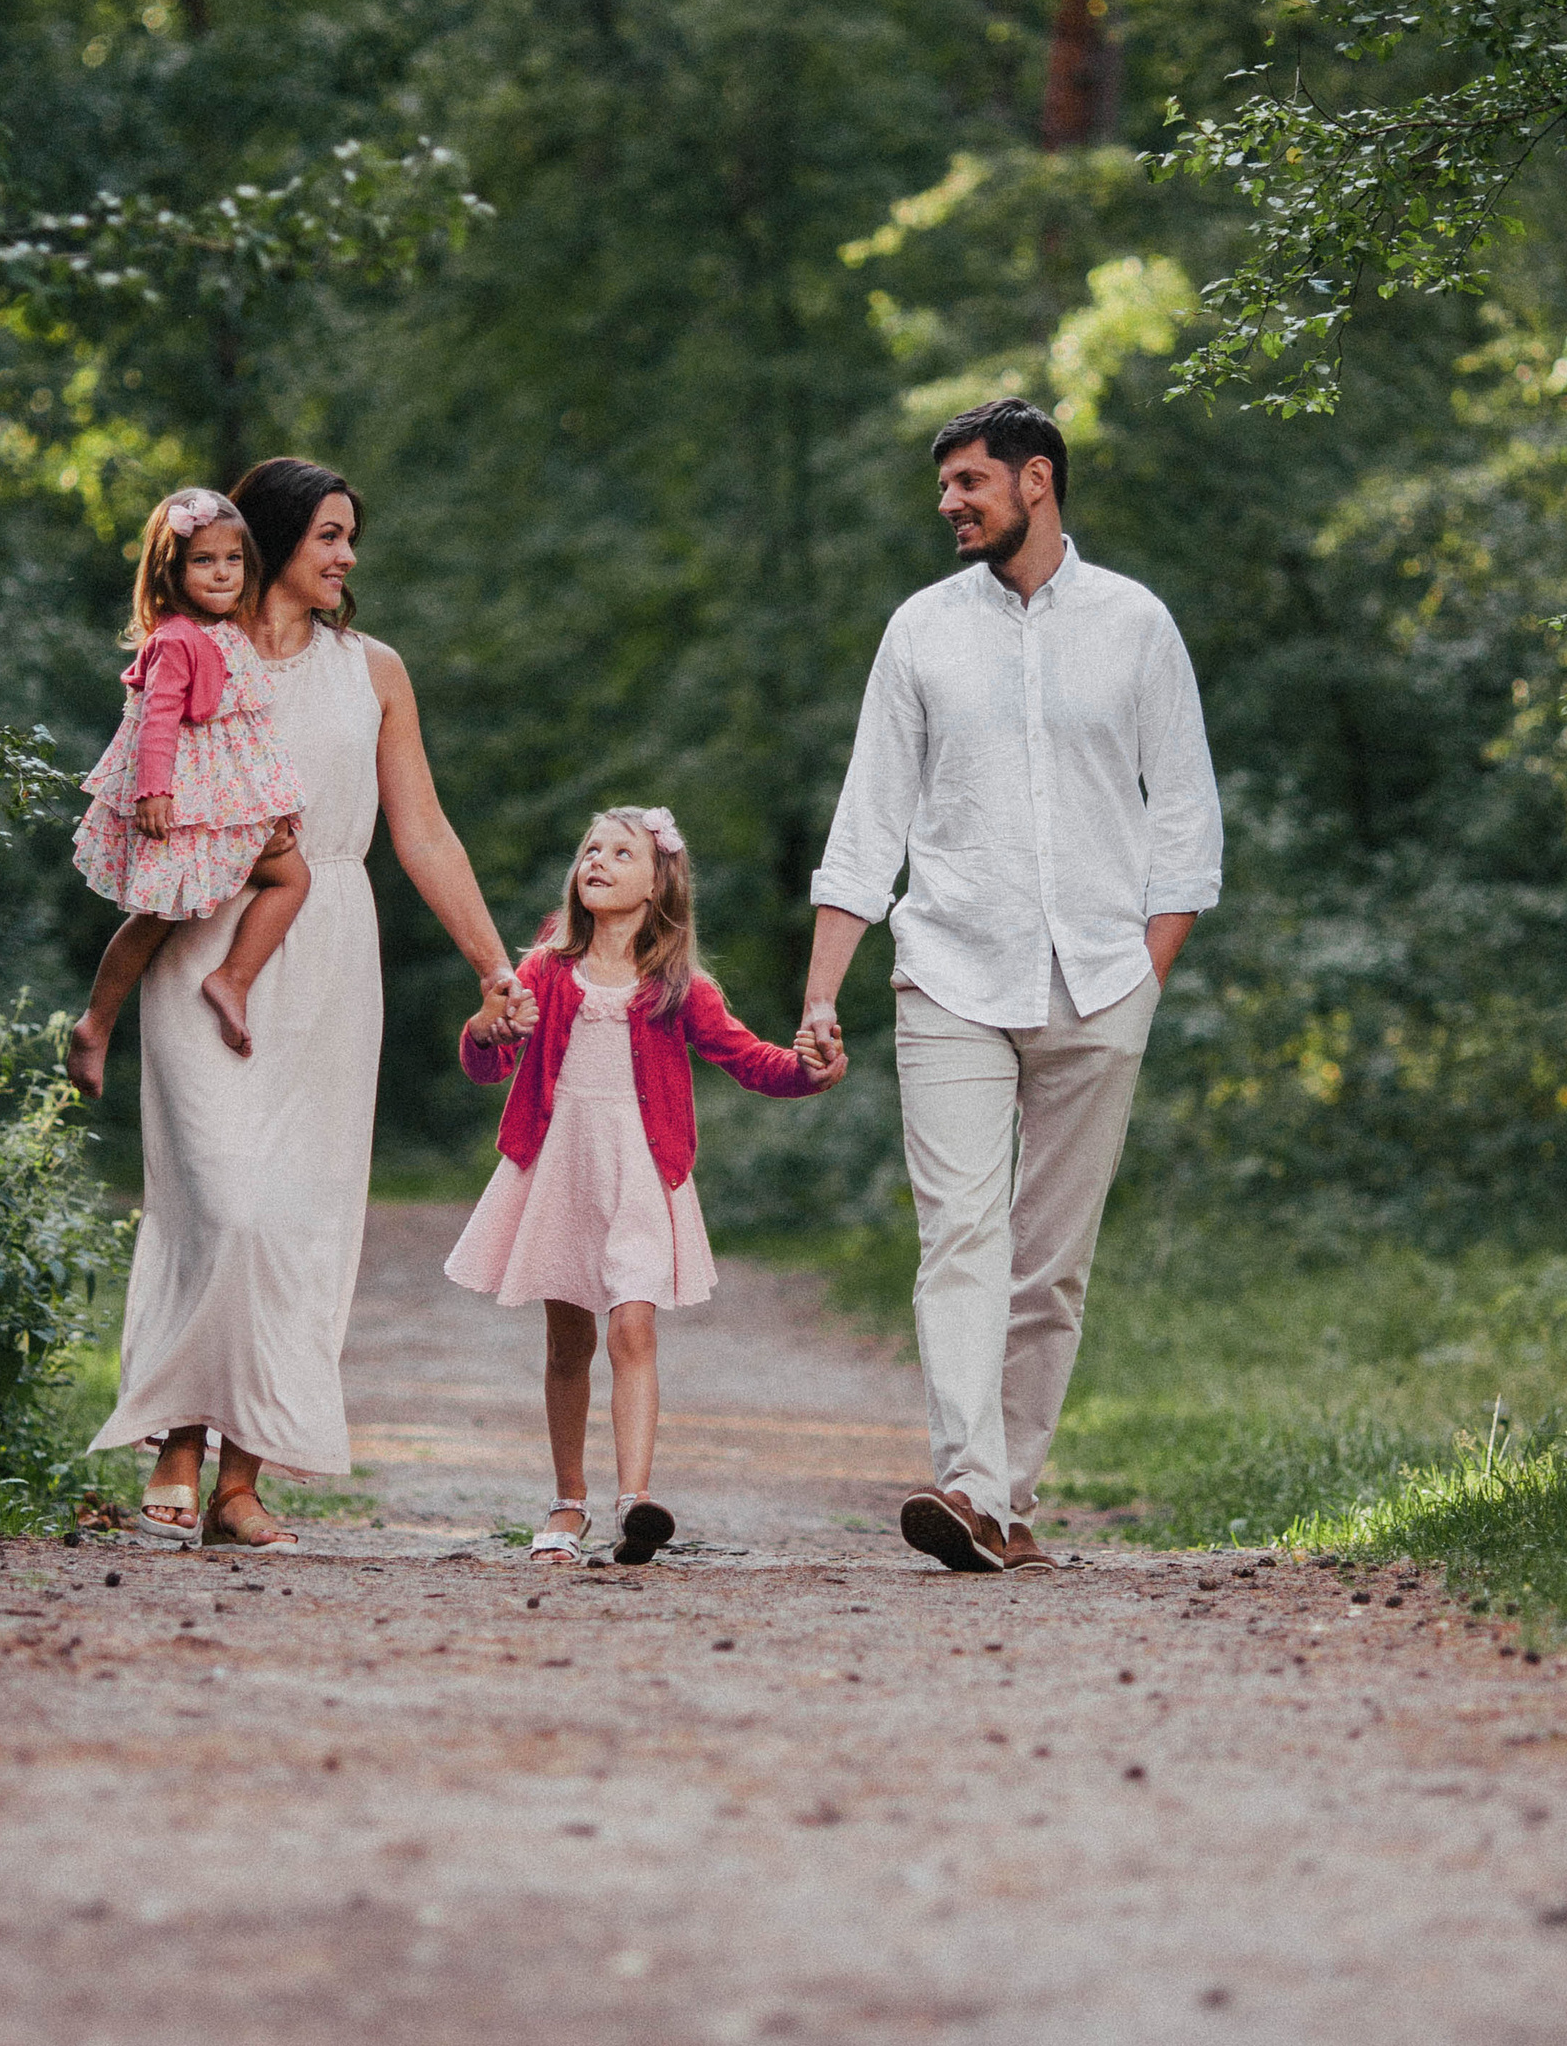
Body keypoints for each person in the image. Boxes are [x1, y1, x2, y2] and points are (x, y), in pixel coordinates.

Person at [798, 400, 1221, 1576]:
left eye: (971, 483)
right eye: (944, 487)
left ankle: (1009, 1495)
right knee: (960, 1234)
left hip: (1099, 977)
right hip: (950, 973)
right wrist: (822, 991)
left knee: (1053, 1256)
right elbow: (867, 817)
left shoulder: (1134, 623)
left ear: (1038, 481)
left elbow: (1186, 817)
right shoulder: (920, 631)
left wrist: (1143, 977)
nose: (949, 503)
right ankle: (968, 1485)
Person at [90, 456, 534, 1550]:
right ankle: (177, 1432)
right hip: (207, 936)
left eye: (352, 540)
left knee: (298, 1218)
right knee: (221, 1201)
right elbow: (136, 784)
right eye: (330, 535)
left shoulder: (373, 669)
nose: (345, 558)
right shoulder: (196, 652)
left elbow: (421, 827)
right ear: (279, 537)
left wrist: (491, 963)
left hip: (329, 940)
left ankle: (240, 1480)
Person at [448, 806, 845, 1563]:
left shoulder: (678, 988)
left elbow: (750, 1059)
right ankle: (570, 1503)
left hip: (638, 1174)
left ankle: (636, 1500)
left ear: (660, 885)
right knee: (569, 1341)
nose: (597, 861)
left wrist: (809, 1071)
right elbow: (490, 1064)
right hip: (559, 1168)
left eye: (621, 853)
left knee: (633, 1324)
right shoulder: (543, 970)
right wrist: (482, 1028)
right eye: (591, 850)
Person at [66, 488, 308, 1079]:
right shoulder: (176, 639)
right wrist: (153, 791)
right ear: (171, 572)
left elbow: (247, 742)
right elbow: (156, 719)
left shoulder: (229, 632)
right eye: (203, 560)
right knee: (160, 915)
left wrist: (270, 814)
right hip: (184, 803)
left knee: (291, 877)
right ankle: (95, 1024)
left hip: (226, 803)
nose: (223, 572)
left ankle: (230, 978)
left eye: (234, 559)